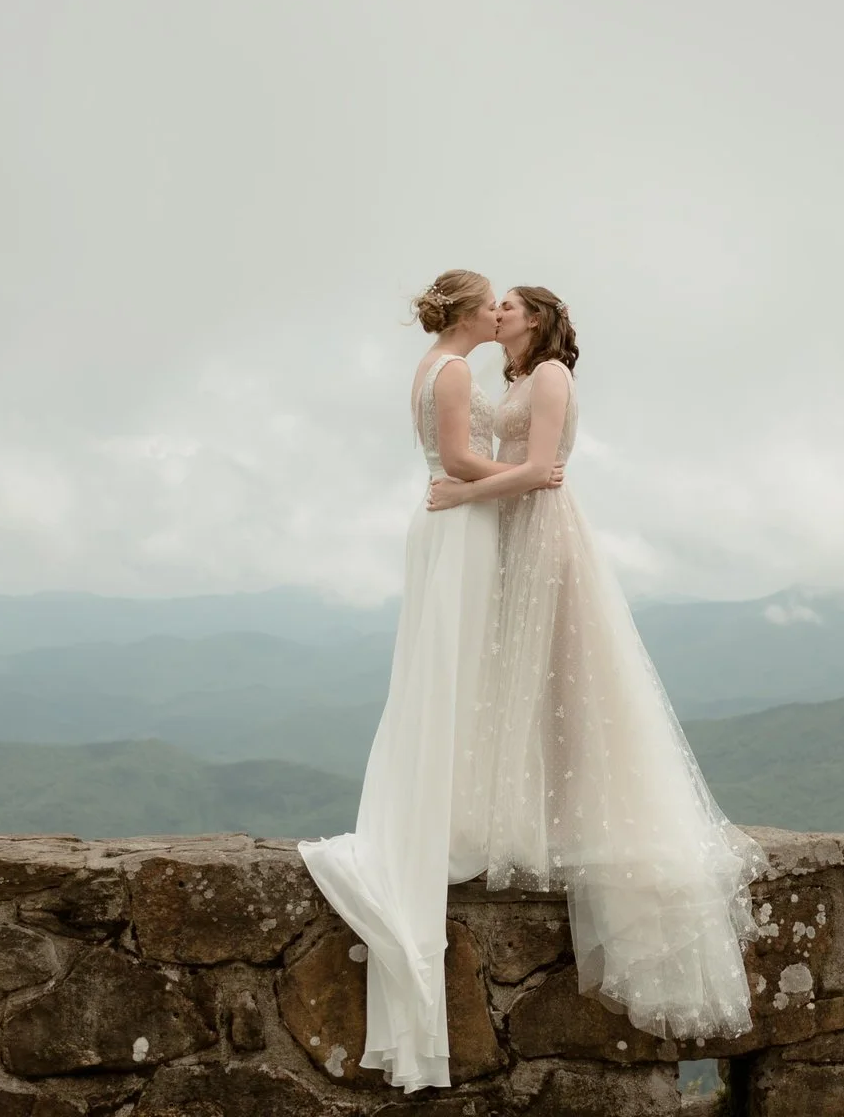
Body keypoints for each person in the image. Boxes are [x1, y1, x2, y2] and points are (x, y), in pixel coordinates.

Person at [432, 285, 765, 1043]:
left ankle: (574, 823)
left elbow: (544, 470)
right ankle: (526, 819)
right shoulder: (510, 380)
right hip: (510, 530)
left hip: (543, 530)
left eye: (513, 304)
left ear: (540, 321)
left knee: (562, 678)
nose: (501, 310)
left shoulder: (548, 377)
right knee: (516, 680)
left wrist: (459, 491)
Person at [298, 270, 560, 1092]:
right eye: (490, 303)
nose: (498, 313)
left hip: (464, 520)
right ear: (464, 314)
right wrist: (522, 479)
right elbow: (452, 457)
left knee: (457, 674)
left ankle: (452, 818)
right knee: (448, 675)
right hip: (460, 524)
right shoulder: (451, 372)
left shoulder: (456, 369)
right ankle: (429, 828)